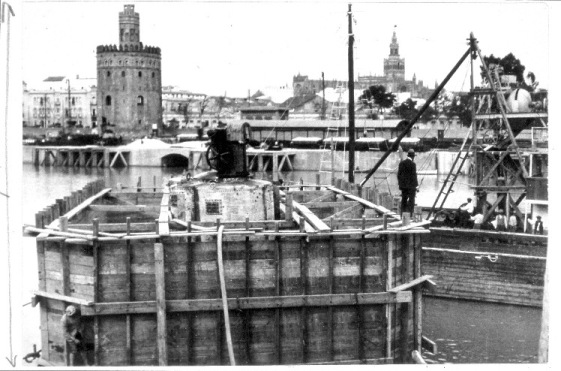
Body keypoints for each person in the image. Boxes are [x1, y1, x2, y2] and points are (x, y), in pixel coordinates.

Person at [397, 148, 419, 217]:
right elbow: (414, 176)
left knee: (404, 200)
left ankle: (402, 215)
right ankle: (410, 215)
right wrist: (416, 186)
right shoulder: (413, 164)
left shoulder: (401, 163)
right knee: (411, 201)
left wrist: (400, 184)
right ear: (413, 157)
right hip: (411, 187)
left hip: (403, 187)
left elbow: (398, 175)